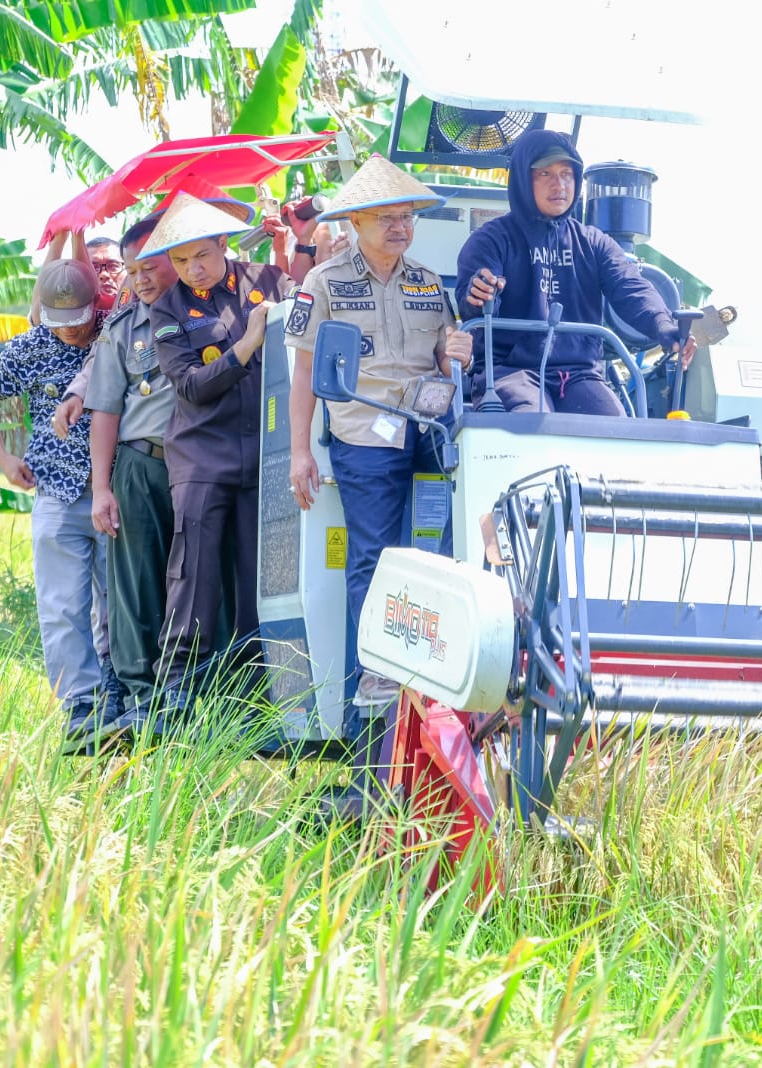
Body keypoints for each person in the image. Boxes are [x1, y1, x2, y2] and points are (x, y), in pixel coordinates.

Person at [283, 155, 473, 805]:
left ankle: (432, 680)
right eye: (387, 218)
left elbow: (449, 356)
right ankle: (375, 675)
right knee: (372, 557)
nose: (400, 227)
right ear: (356, 221)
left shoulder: (427, 282)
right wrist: (300, 453)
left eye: (407, 217)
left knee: (438, 559)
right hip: (364, 433)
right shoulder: (326, 281)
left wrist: (460, 352)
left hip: (428, 432)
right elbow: (304, 371)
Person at [141, 192, 294, 718]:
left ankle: (258, 699)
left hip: (266, 455)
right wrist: (246, 345)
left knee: (261, 583)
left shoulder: (267, 282)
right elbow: (189, 387)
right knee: (194, 577)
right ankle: (175, 694)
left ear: (224, 244)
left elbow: (305, 319)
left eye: (201, 256)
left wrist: (291, 247)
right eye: (181, 260)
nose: (192, 269)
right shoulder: (168, 308)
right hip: (202, 459)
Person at [0, 258, 120, 750]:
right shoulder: (33, 346)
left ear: (93, 306)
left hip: (114, 491)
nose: (71, 332)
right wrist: (2, 456)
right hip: (54, 490)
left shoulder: (114, 333)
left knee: (115, 604)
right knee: (60, 605)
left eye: (78, 320)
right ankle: (81, 706)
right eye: (61, 324)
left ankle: (118, 696)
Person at [454, 128, 691, 414]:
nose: (559, 185)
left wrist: (664, 326)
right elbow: (474, 297)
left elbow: (632, 288)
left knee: (615, 423)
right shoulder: (491, 239)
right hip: (510, 371)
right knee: (531, 419)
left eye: (566, 174)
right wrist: (479, 293)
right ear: (522, 179)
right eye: (545, 174)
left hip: (581, 373)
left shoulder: (594, 242)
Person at [50, 216, 182, 728]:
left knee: (196, 581)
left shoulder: (209, 316)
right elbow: (104, 409)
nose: (142, 278)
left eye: (150, 266)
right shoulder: (124, 328)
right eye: (133, 270)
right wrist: (102, 487)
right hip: (140, 465)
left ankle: (193, 692)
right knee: (134, 585)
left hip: (205, 466)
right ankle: (140, 697)